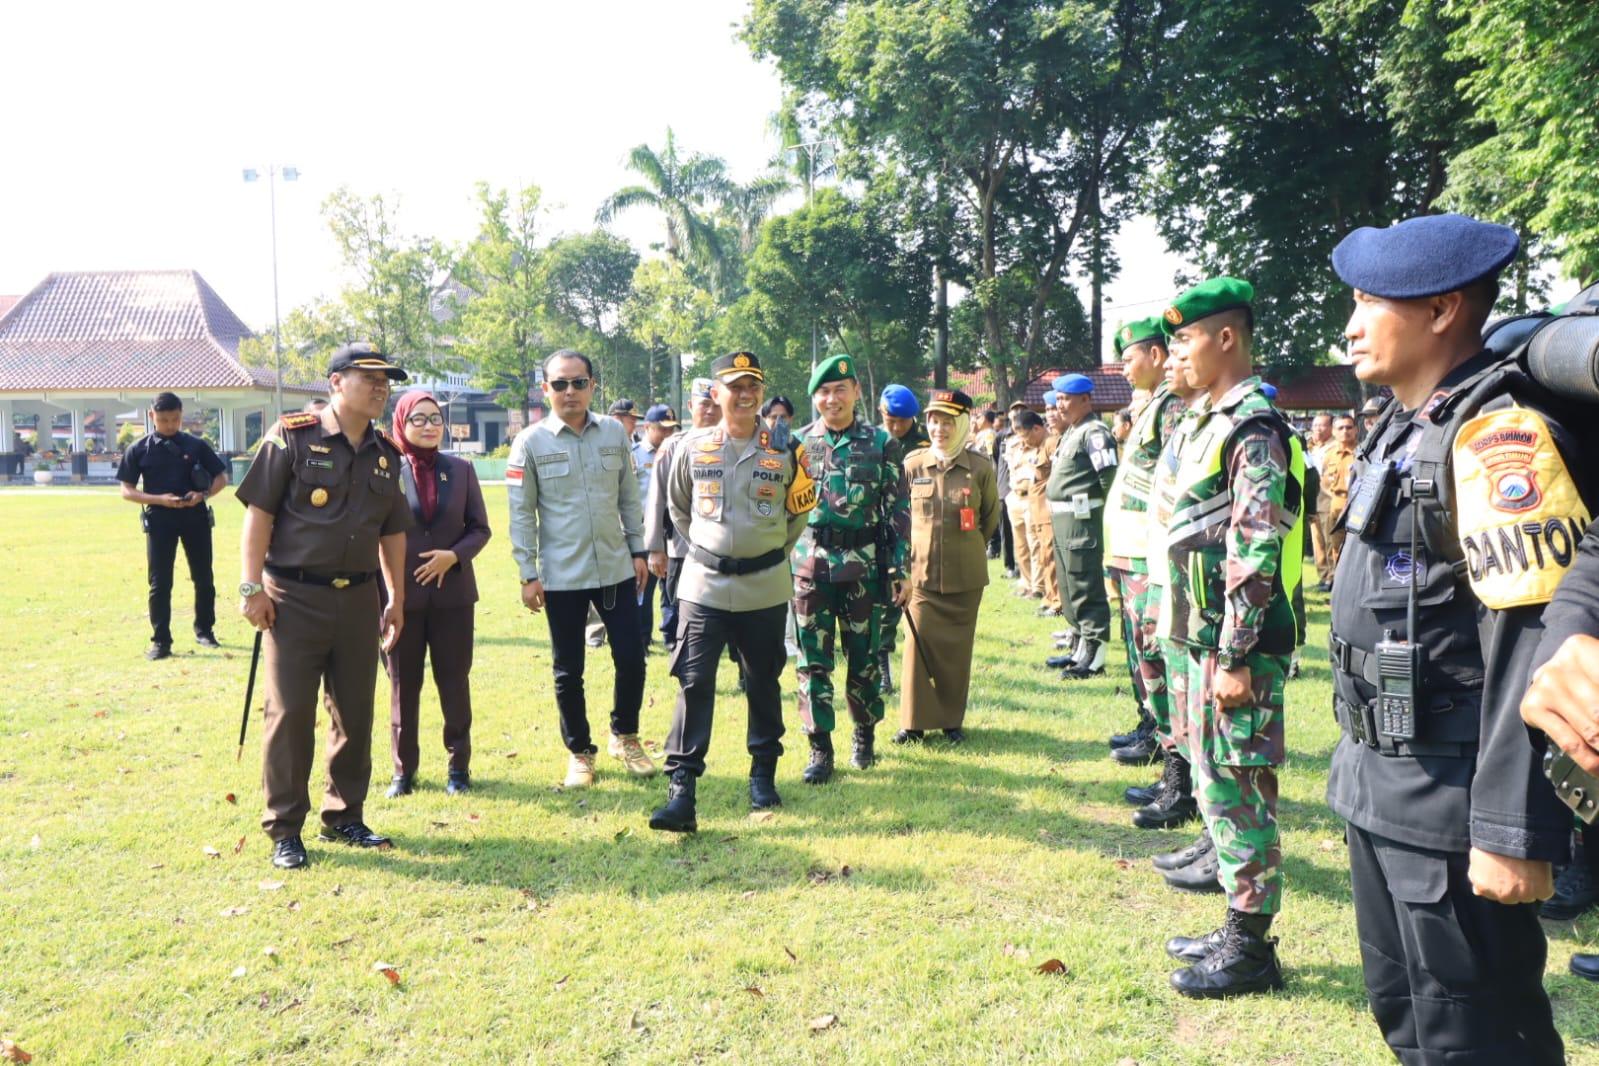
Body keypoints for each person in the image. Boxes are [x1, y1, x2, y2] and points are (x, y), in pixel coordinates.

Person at [1327, 215, 1579, 1063]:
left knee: (1474, 1035)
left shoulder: (1495, 435)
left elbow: (1532, 643)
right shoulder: (1408, 425)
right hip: (1381, 777)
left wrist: (1512, 829)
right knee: (1408, 1017)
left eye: (1370, 303)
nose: (1350, 325)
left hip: (1450, 800)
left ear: (1440, 310)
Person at [1155, 277, 1301, 997]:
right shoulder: (1211, 419)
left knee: (1240, 789)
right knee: (1217, 785)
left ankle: (1252, 950)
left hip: (1230, 644)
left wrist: (1237, 654)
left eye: (1184, 337)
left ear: (1225, 337)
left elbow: (1255, 546)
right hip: (1200, 637)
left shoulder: (1252, 426)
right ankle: (1235, 925)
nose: (1174, 351)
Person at [236, 342, 413, 870]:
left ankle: (344, 814)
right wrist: (251, 589)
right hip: (292, 597)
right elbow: (258, 516)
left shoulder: (385, 453)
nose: (382, 388)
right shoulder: (291, 437)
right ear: (336, 382)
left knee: (355, 710)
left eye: (387, 381)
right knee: (290, 714)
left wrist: (396, 597)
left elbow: (394, 533)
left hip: (358, 598)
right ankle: (285, 828)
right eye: (369, 378)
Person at [648, 352, 816, 831]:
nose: (746, 395)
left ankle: (763, 773)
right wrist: (711, 551)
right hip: (704, 585)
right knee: (694, 682)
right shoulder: (692, 446)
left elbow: (797, 513)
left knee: (762, 682)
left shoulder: (787, 447)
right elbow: (679, 510)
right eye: (735, 386)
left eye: (753, 386)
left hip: (764, 587)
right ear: (715, 393)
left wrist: (765, 554)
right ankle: (682, 789)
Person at [508, 349, 654, 789]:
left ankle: (624, 736)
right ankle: (580, 752)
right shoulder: (530, 442)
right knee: (568, 669)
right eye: (559, 384)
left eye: (578, 382)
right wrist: (527, 572)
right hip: (562, 575)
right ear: (545, 388)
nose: (569, 391)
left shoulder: (613, 433)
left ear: (592, 385)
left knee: (631, 657)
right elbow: (520, 513)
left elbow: (629, 497)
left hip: (616, 568)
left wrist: (639, 550)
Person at [792, 353, 910, 784]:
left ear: (857, 392)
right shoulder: (798, 443)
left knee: (863, 658)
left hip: (864, 570)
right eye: (824, 391)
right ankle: (820, 749)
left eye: (841, 390)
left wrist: (900, 568)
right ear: (815, 399)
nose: (832, 398)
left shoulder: (881, 443)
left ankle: (864, 735)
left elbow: (899, 508)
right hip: (810, 567)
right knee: (812, 662)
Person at [381, 391, 492, 799]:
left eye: (435, 419)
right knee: (401, 685)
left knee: (454, 682)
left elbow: (480, 528)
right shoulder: (385, 468)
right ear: (402, 423)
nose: (429, 427)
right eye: (419, 419)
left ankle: (458, 767)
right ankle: (402, 771)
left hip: (453, 598)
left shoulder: (461, 470)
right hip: (400, 599)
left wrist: (453, 556)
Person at [1097, 320, 1187, 772]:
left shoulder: (1171, 406)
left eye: (1128, 359)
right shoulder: (1151, 405)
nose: (1123, 370)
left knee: (1151, 650)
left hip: (1146, 553)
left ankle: (1165, 739)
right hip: (1129, 549)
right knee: (1136, 649)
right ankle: (1150, 724)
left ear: (1155, 355)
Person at [894, 389, 999, 744]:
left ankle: (951, 721)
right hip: (920, 577)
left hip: (965, 578)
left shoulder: (980, 468)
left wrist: (963, 550)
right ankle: (912, 724)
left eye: (948, 422)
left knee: (957, 652)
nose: (939, 428)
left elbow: (989, 521)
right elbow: (900, 519)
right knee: (916, 648)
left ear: (964, 424)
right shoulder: (913, 465)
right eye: (934, 421)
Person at [117, 392, 228, 660]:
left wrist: (201, 496)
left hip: (195, 517)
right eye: (164, 419)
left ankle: (205, 631)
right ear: (152, 416)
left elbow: (221, 478)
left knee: (204, 577)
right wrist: (159, 499)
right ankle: (161, 641)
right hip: (160, 519)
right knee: (159, 582)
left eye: (175, 419)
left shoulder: (196, 445)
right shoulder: (139, 449)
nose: (169, 425)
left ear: (182, 415)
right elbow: (127, 491)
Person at [1043, 375, 1119, 677]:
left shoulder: (1095, 432)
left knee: (1084, 581)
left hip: (1081, 518)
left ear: (1085, 400)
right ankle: (1079, 647)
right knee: (1068, 582)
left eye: (1066, 399)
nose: (1060, 405)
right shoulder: (1072, 432)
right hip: (1063, 518)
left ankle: (1095, 655)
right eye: (1058, 399)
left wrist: (1094, 508)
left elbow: (1108, 476)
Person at [647, 382, 720, 652]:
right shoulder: (673, 445)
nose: (711, 411)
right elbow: (656, 499)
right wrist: (655, 548)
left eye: (716, 404)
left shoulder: (737, 444)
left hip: (725, 549)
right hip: (682, 548)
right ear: (691, 407)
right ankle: (686, 671)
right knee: (682, 612)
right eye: (704, 404)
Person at [876, 383, 932, 692]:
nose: (896, 427)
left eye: (902, 421)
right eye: (890, 419)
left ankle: (925, 667)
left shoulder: (927, 442)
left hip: (922, 534)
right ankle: (883, 670)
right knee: (888, 603)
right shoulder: (873, 441)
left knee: (926, 606)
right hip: (886, 535)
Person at [632, 404, 677, 653]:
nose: (667, 434)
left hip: (673, 531)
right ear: (647, 427)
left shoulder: (678, 452)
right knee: (642, 588)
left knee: (671, 587)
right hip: (643, 533)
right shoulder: (635, 455)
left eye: (671, 428)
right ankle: (642, 637)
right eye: (662, 429)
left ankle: (670, 635)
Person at [1005, 409, 1046, 599]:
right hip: (1015, 496)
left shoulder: (1042, 445)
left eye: (1025, 434)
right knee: (1020, 545)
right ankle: (1027, 583)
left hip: (1032, 497)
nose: (1024, 439)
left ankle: (1038, 587)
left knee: (1034, 543)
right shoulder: (1014, 445)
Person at [1312, 414, 1356, 591]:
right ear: (1335, 431)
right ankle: (1337, 582)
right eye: (1340, 428)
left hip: (1355, 503)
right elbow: (1324, 480)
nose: (1345, 431)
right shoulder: (1329, 454)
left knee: (1355, 545)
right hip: (1334, 503)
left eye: (1348, 427)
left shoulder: (1363, 451)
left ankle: (1353, 582)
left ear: (1356, 429)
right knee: (1334, 546)